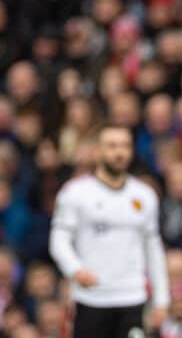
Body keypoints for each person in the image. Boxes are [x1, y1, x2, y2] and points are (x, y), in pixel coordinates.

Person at [49, 124, 170, 338]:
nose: (119, 152)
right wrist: (75, 269)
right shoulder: (75, 193)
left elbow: (153, 248)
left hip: (132, 297)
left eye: (125, 146)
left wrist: (161, 299)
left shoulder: (144, 195)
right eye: (112, 146)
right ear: (97, 151)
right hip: (92, 298)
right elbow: (59, 239)